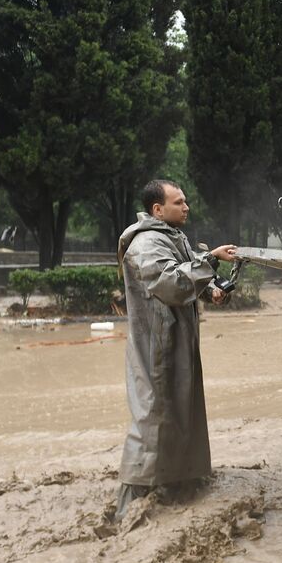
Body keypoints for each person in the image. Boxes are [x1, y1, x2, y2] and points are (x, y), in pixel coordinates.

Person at [115, 180, 237, 519]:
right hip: (157, 345)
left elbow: (185, 269)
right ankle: (130, 502)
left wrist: (210, 288)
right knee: (153, 415)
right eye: (179, 202)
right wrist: (210, 260)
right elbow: (169, 283)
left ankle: (180, 485)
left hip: (177, 340)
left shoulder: (170, 237)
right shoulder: (146, 244)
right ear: (158, 209)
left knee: (183, 410)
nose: (186, 207)